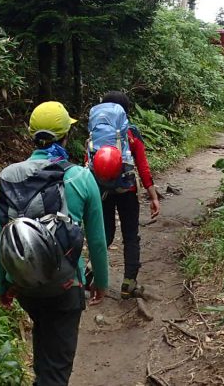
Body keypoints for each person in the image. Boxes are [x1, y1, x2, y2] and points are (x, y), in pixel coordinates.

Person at [0, 101, 109, 386]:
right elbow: (96, 239)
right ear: (65, 135)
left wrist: (2, 286)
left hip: (23, 284)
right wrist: (101, 282)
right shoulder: (81, 177)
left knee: (45, 340)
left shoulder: (9, 176)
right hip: (66, 285)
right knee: (57, 369)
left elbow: (0, 237)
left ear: (31, 134)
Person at [94, 90, 161, 300]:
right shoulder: (131, 133)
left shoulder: (97, 134)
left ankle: (89, 273)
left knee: (105, 234)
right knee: (131, 236)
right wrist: (153, 196)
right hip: (128, 190)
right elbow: (142, 166)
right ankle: (128, 284)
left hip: (102, 189)